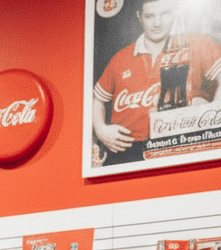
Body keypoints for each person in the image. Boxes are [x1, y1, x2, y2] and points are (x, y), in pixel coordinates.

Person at [92, 0, 221, 167]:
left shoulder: (198, 43)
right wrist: (101, 129)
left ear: (174, 13)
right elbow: (98, 99)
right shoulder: (121, 58)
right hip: (125, 151)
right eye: (150, 16)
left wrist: (213, 110)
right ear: (139, 17)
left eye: (164, 14)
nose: (157, 23)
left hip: (179, 144)